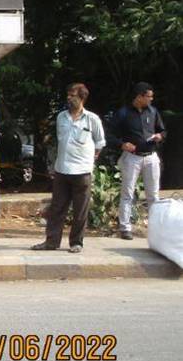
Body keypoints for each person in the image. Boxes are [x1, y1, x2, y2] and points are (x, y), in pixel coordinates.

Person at [32, 83, 105, 253]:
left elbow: (100, 143)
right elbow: (61, 141)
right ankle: (51, 241)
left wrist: (90, 160)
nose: (69, 98)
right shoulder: (61, 117)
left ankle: (76, 243)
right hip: (62, 169)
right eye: (68, 94)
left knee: (80, 209)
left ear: (82, 97)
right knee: (57, 207)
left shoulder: (92, 119)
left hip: (82, 171)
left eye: (72, 95)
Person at [106, 81, 167, 240]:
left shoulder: (153, 112)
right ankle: (125, 227)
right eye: (149, 96)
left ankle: (156, 228)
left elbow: (162, 130)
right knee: (127, 192)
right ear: (139, 96)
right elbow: (109, 134)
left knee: (153, 194)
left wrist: (160, 136)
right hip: (132, 157)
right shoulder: (123, 113)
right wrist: (122, 144)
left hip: (151, 157)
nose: (151, 99)